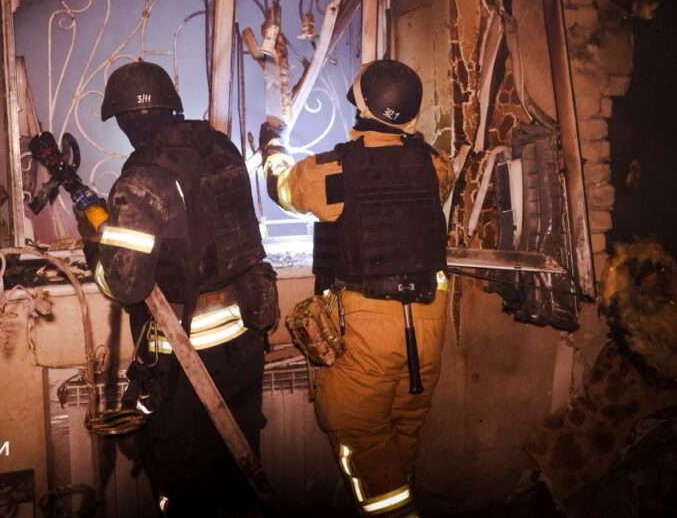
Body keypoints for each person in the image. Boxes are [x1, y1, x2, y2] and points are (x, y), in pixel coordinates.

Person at [260, 58, 454, 517]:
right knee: (404, 433)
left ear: (359, 103)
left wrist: (273, 147)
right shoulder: (435, 164)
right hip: (427, 323)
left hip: (367, 328)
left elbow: (283, 189)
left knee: (362, 442)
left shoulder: (332, 173)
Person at [90, 59, 277, 516]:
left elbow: (125, 284)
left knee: (185, 485)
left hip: (187, 357)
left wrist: (97, 246)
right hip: (245, 339)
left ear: (128, 119)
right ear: (171, 106)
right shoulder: (219, 148)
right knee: (239, 470)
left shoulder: (141, 178)